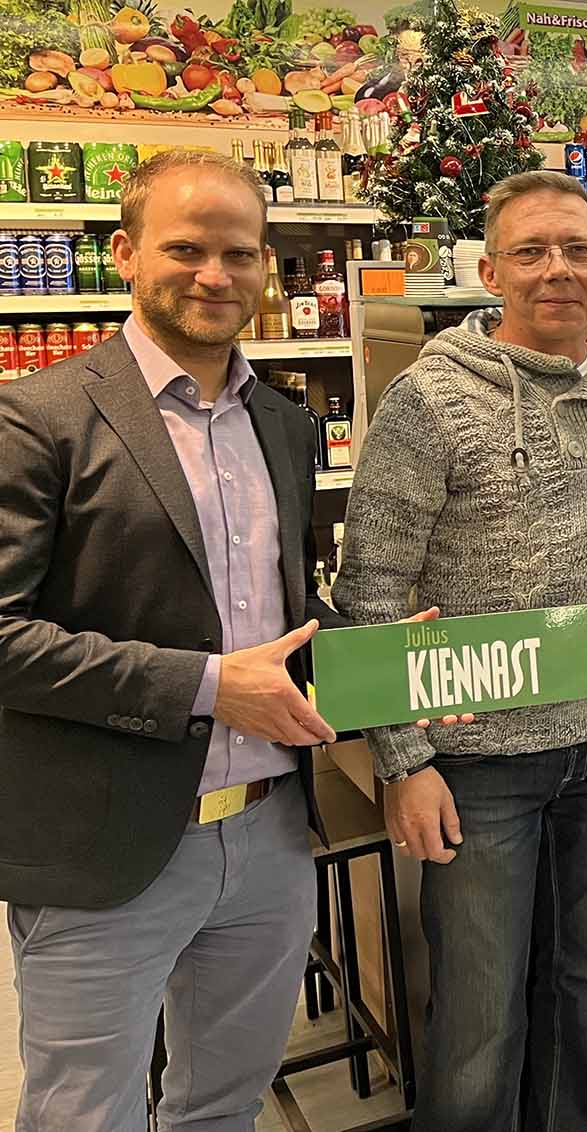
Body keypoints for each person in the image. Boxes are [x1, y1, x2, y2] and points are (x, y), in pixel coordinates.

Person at [0, 150, 344, 1132]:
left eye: (240, 253)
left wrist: (386, 657)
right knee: (83, 1113)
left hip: (272, 834)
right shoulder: (39, 417)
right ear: (124, 253)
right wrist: (203, 686)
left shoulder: (281, 424)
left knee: (224, 1102)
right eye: (185, 248)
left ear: (265, 266)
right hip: (109, 845)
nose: (214, 274)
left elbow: (265, 626)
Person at [333, 170, 587, 1132]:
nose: (557, 270)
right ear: (490, 271)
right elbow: (371, 588)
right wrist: (405, 759)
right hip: (477, 765)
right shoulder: (428, 399)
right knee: (478, 1017)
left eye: (577, 250)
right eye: (531, 252)